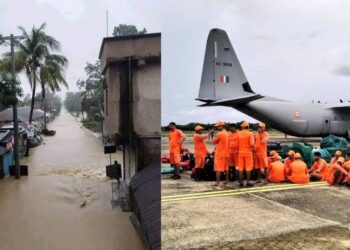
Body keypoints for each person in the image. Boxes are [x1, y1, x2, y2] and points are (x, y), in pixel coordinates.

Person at [212, 121, 229, 187]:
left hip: (220, 154)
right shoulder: (227, 133)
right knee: (226, 168)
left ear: (221, 126)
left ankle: (217, 182)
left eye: (218, 126)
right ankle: (226, 180)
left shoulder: (220, 134)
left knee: (218, 169)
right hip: (226, 153)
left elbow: (214, 142)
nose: (217, 127)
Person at [237, 121, 255, 187]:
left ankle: (241, 182)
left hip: (240, 153)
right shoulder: (250, 134)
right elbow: (252, 144)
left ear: (243, 127)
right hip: (248, 153)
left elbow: (237, 144)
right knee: (248, 168)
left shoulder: (239, 133)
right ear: (248, 127)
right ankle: (248, 182)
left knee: (240, 168)